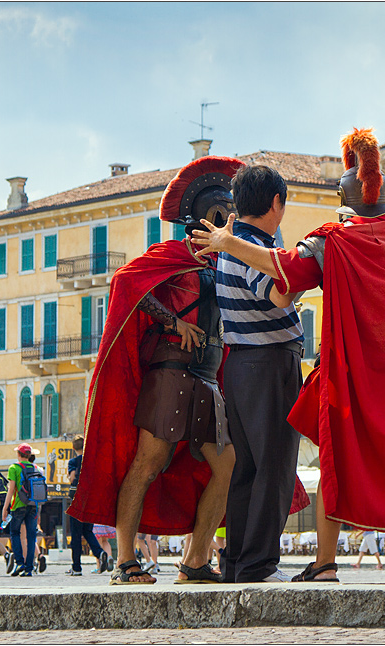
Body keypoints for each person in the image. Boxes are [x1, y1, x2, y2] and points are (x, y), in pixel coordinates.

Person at [193, 127, 385, 583]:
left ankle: (325, 564)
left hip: (349, 375)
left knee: (335, 457)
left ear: (343, 198)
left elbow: (286, 273)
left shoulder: (332, 240)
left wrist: (228, 244)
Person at [69, 156, 293, 584]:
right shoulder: (171, 254)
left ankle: (194, 560)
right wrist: (173, 322)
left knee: (227, 467)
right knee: (148, 461)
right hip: (169, 372)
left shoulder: (225, 259)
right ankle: (124, 561)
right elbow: (126, 284)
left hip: (208, 378)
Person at [210, 163, 307, 584]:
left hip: (242, 366)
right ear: (276, 203)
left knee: (248, 469)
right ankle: (258, 565)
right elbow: (279, 293)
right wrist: (306, 271)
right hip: (269, 365)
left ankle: (237, 563)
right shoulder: (253, 246)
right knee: (275, 466)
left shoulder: (234, 243)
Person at [65, 436, 110, 576]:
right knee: (87, 531)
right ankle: (100, 552)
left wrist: (70, 478)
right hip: (90, 499)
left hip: (77, 499)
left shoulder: (73, 461)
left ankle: (76, 568)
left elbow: (72, 478)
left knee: (76, 535)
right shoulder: (91, 461)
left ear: (73, 448)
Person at [2, 443, 40, 577]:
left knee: (15, 533)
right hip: (33, 505)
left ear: (19, 454)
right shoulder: (36, 468)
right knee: (31, 537)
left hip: (18, 505)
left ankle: (19, 563)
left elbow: (11, 490)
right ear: (29, 455)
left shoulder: (14, 468)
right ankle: (29, 568)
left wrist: (5, 508)